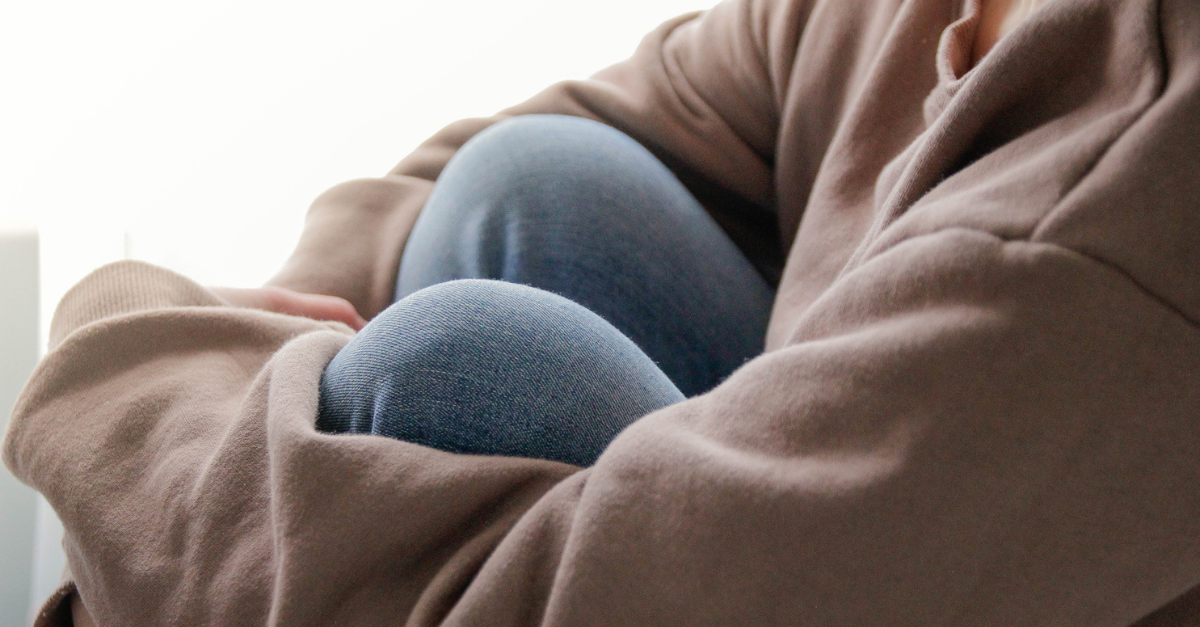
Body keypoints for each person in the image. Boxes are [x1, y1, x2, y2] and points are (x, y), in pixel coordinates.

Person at [7, 0, 1200, 625]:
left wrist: (126, 357)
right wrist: (267, 331)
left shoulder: (1121, 206)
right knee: (530, 184)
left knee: (450, 368)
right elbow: (607, 114)